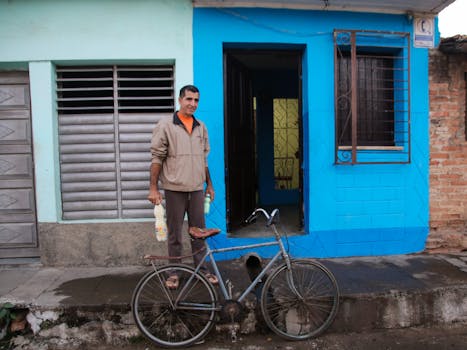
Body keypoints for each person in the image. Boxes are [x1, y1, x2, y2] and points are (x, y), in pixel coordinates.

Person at [148, 84, 217, 289]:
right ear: (180, 100)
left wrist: (209, 185)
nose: (192, 104)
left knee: (199, 232)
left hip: (196, 188)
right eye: (189, 99)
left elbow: (203, 160)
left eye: (196, 100)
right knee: (175, 234)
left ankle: (202, 270)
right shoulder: (166, 125)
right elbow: (157, 158)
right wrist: (153, 188)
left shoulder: (200, 127)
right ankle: (174, 272)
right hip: (174, 188)